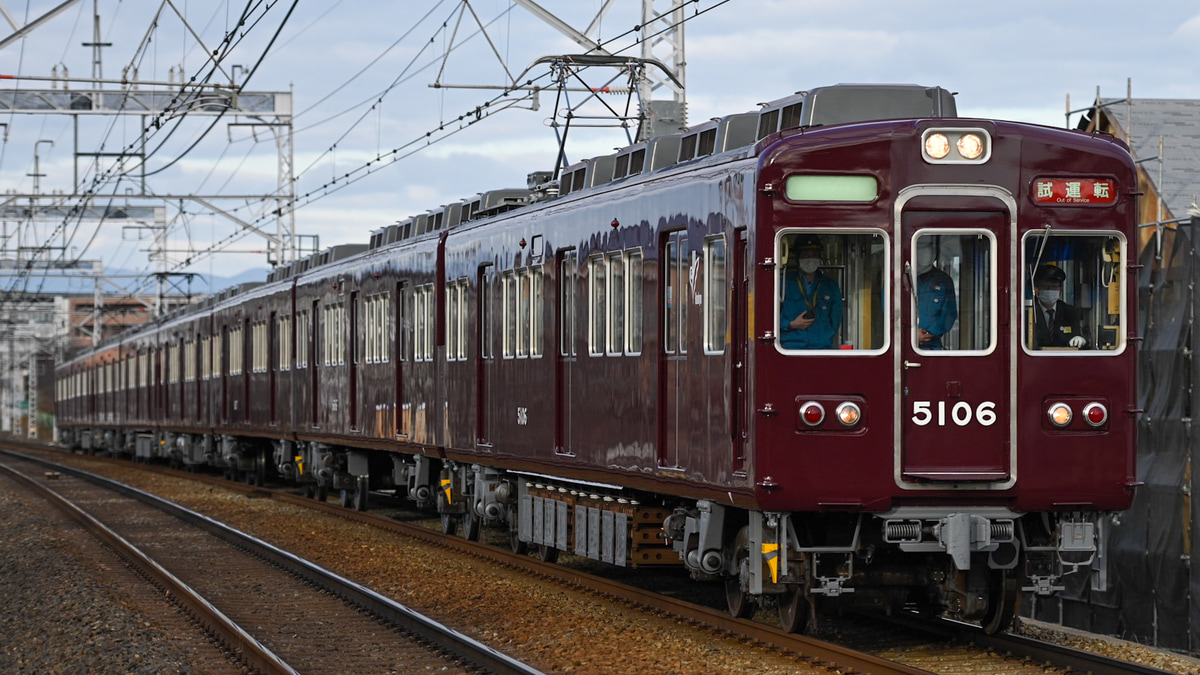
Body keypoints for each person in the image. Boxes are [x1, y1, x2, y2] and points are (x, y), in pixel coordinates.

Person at [780, 235, 842, 349]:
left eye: (814, 255)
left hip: (822, 348)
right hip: (790, 348)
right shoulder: (783, 283)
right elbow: (768, 318)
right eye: (806, 255)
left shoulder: (830, 286)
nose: (810, 259)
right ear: (797, 258)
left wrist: (824, 336)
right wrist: (790, 325)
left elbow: (835, 320)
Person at [1032, 264, 1088, 349]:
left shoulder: (1070, 312)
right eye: (1046, 287)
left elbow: (1077, 334)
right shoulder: (1030, 312)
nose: (1050, 290)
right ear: (1037, 290)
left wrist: (1079, 339)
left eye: (1054, 287)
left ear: (1060, 290)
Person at [915, 238, 957, 350]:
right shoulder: (898, 277)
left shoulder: (944, 280)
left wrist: (927, 333)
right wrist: (910, 334)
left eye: (929, 248)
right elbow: (889, 311)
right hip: (900, 343)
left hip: (932, 348)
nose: (925, 253)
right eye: (921, 248)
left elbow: (949, 314)